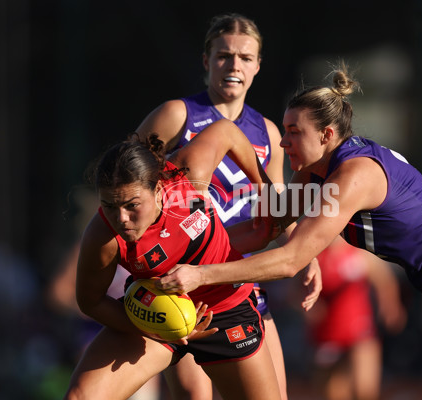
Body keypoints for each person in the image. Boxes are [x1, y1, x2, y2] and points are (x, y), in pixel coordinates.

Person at [156, 63, 422, 400]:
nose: (283, 143)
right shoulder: (315, 174)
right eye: (284, 131)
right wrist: (185, 249)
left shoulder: (352, 176)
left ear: (327, 134)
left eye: (294, 132)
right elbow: (263, 228)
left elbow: (289, 260)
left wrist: (200, 273)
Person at [136, 12, 320, 400]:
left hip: (236, 279)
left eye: (244, 57)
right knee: (193, 396)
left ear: (257, 66)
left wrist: (306, 253)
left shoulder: (269, 132)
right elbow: (126, 176)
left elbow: (275, 204)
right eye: (223, 56)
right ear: (207, 62)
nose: (233, 65)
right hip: (182, 282)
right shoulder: (178, 115)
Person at [63, 119, 283, 400]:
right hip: (155, 313)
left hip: (224, 310)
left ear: (157, 190)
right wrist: (156, 328)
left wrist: (263, 189)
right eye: (109, 206)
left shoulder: (189, 176)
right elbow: (90, 301)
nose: (121, 219)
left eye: (132, 206)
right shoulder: (102, 235)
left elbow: (227, 131)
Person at [306, 238, 406, 400]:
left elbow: (384, 279)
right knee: (332, 393)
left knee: (364, 391)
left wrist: (390, 307)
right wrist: (309, 309)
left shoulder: (358, 252)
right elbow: (297, 289)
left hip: (360, 329)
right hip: (327, 332)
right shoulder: (316, 258)